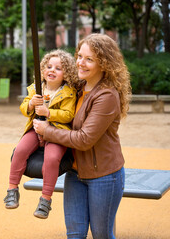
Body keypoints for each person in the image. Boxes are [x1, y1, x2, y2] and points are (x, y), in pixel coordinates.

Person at [33, 33, 131, 238]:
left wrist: (47, 131)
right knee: (75, 234)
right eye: (79, 56)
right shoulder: (76, 88)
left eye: (89, 59)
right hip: (75, 172)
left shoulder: (106, 96)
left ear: (104, 64)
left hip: (104, 175)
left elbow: (84, 139)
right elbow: (52, 93)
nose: (80, 63)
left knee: (101, 234)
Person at [4, 49, 78, 219]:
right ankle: (12, 189)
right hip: (36, 129)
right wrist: (30, 104)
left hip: (56, 132)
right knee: (20, 150)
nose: (52, 70)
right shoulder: (35, 89)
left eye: (58, 68)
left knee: (51, 159)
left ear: (66, 74)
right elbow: (23, 108)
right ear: (43, 70)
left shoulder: (68, 92)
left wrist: (49, 112)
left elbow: (69, 114)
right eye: (49, 66)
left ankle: (45, 199)